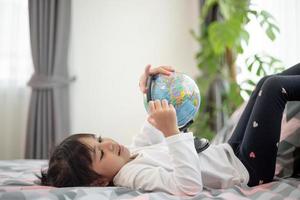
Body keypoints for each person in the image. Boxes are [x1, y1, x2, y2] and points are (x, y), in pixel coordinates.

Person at [40, 63, 300, 196]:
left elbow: (154, 119)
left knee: (265, 82)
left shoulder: (132, 153)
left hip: (231, 153)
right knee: (275, 87)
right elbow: (187, 187)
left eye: (99, 139)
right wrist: (173, 134)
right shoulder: (131, 175)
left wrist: (151, 85)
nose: (107, 144)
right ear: (99, 181)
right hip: (249, 170)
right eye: (100, 154)